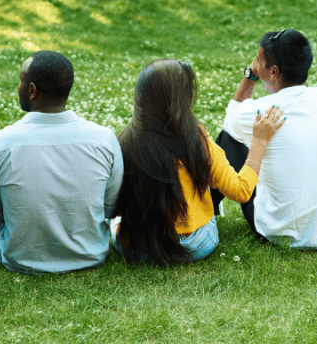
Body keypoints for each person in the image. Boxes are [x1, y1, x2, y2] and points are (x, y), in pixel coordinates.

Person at [0, 51, 123, 275]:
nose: (18, 87)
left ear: (32, 90)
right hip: (91, 254)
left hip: (19, 257)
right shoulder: (105, 138)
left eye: (21, 81)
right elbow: (110, 207)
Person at [112, 59, 285, 265]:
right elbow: (240, 191)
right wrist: (259, 140)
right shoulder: (197, 141)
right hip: (194, 245)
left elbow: (113, 206)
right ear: (182, 99)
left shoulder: (123, 142)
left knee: (116, 223)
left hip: (137, 247)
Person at [214, 29, 317, 249]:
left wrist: (250, 76)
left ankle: (208, 208)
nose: (256, 65)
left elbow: (230, 122)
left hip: (279, 230)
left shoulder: (258, 112)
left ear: (274, 72)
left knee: (228, 139)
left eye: (258, 61)